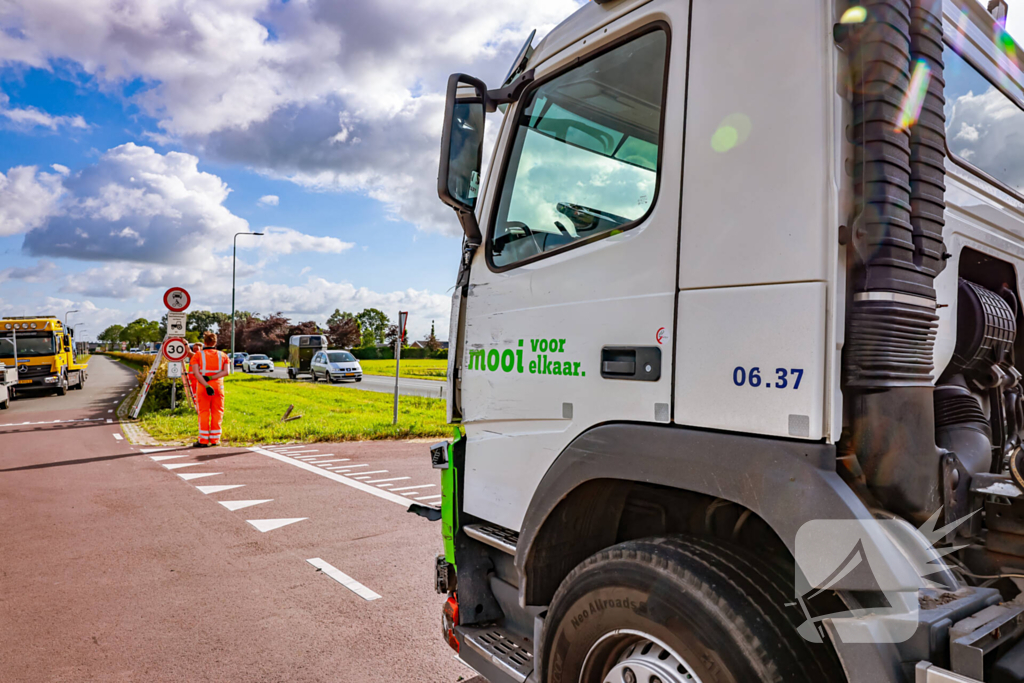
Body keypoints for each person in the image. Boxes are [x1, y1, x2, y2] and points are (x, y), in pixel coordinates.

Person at [189, 332, 229, 448]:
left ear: (204, 342)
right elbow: (226, 372)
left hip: (202, 386)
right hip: (218, 387)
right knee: (218, 412)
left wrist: (206, 385)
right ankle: (215, 439)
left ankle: (203, 440)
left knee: (203, 412)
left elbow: (196, 373)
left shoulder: (198, 355)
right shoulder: (223, 355)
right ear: (215, 342)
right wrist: (212, 378)